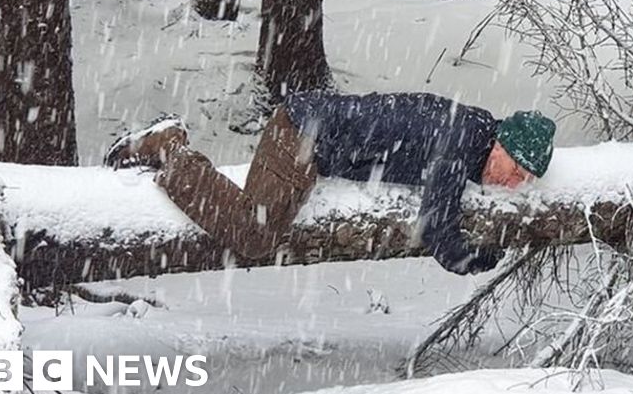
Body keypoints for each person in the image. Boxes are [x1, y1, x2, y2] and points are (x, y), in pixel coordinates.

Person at [104, 91, 556, 274]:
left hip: (318, 132)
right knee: (257, 234)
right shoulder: (459, 142)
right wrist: (483, 260)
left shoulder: (473, 135)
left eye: (525, 179)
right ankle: (170, 148)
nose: (513, 183)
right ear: (500, 141)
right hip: (302, 132)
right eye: (514, 168)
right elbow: (437, 232)